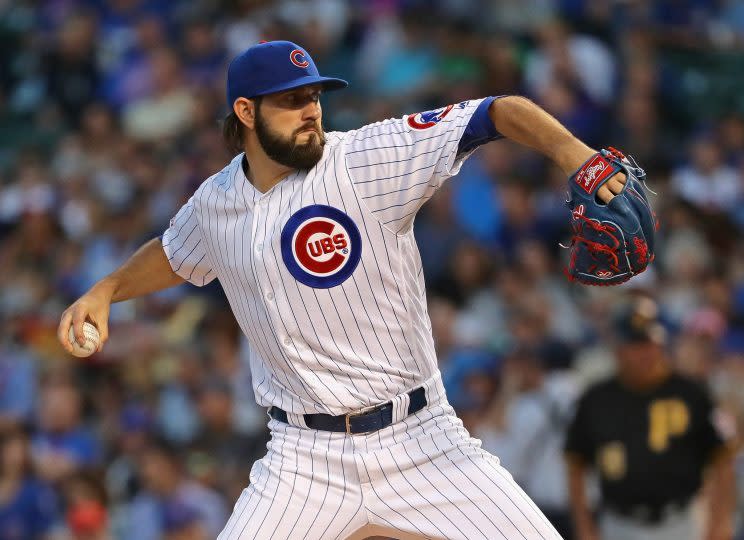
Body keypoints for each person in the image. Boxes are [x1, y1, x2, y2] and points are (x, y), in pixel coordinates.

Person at [58, 40, 627, 539]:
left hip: (422, 441)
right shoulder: (216, 200)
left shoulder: (362, 158)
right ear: (245, 111)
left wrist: (577, 157)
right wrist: (106, 290)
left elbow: (498, 112)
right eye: (292, 100)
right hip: (304, 462)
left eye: (315, 96)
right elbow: (174, 253)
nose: (311, 111)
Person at [564, 296, 736, 540]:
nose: (646, 352)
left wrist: (720, 521)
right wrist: (584, 526)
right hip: (618, 524)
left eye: (650, 343)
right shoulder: (597, 399)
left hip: (682, 522)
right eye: (636, 345)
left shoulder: (691, 392)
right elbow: (575, 465)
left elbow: (722, 460)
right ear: (619, 349)